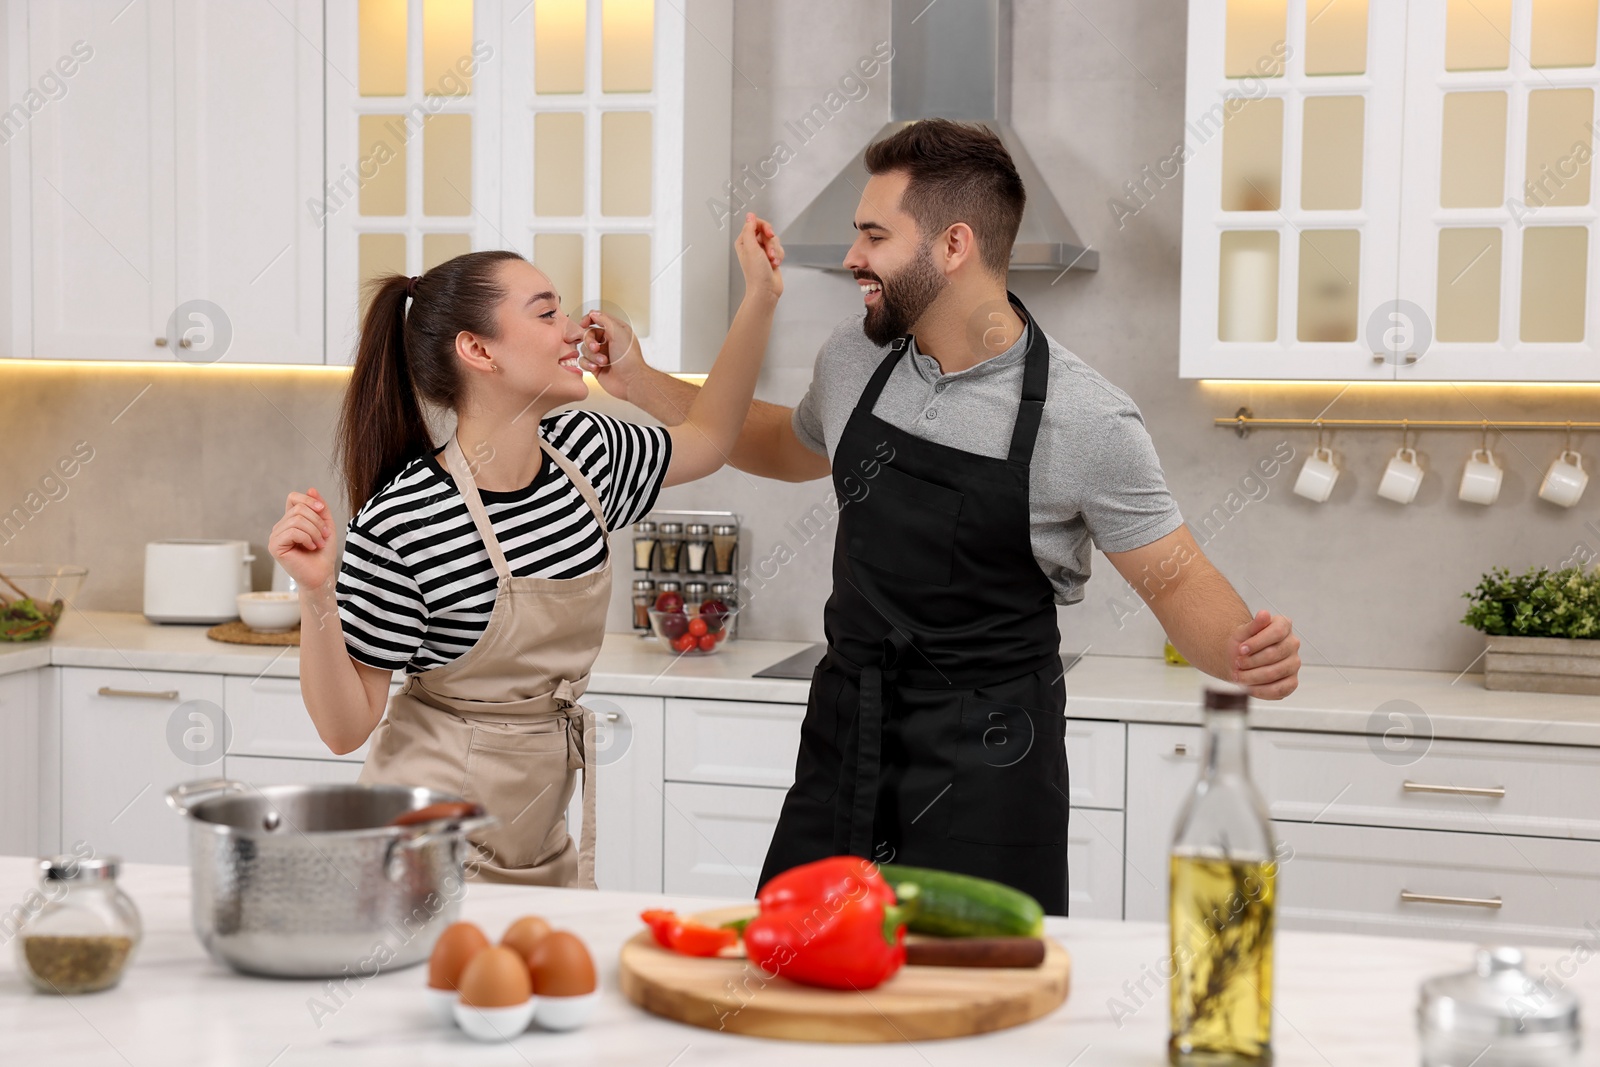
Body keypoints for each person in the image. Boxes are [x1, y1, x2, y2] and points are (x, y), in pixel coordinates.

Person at [585, 121, 1301, 913]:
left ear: (953, 245)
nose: (853, 256)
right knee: (790, 994)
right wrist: (640, 380)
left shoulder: (1085, 419)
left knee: (971, 1012)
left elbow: (1178, 580)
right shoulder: (855, 357)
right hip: (842, 745)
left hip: (988, 775)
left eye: (873, 235)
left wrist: (1244, 654)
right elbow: (782, 443)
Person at [267, 214, 785, 886]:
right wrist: (317, 592)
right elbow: (345, 727)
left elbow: (712, 439)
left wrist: (760, 299)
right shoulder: (406, 520)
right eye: (546, 314)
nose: (572, 330)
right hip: (422, 851)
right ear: (479, 352)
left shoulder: (587, 456)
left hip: (540, 844)